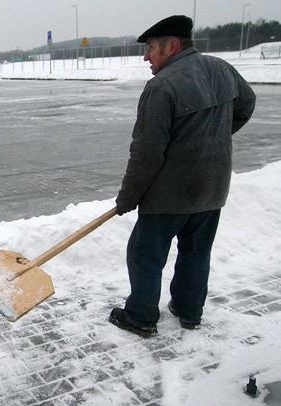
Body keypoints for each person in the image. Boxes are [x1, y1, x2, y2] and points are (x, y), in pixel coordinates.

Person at [109, 15, 256, 337]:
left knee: (145, 255)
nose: (146, 56)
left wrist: (128, 198)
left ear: (172, 46)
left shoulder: (161, 86)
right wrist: (214, 141)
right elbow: (247, 104)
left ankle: (141, 317)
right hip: (212, 189)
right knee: (196, 252)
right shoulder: (221, 69)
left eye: (150, 48)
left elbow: (147, 154)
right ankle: (190, 312)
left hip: (168, 196)